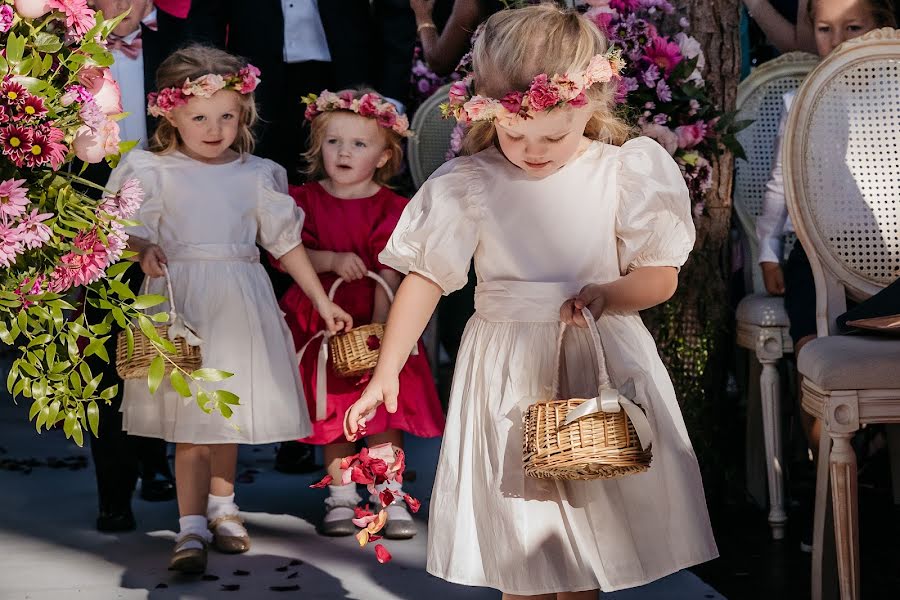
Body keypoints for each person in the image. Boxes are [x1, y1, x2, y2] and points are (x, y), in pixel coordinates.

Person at [345, 6, 718, 598]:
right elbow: (425, 278)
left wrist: (609, 294)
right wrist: (386, 368)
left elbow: (660, 276)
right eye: (515, 135)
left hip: (591, 361)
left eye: (553, 135)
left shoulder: (622, 170)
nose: (532, 149)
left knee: (586, 542)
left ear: (591, 104)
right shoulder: (472, 181)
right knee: (522, 541)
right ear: (488, 114)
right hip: (505, 372)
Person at [106, 45, 352, 573]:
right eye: (199, 117)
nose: (214, 128)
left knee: (226, 415)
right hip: (180, 304)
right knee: (190, 422)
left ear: (244, 114)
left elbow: (284, 245)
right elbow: (122, 232)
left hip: (240, 300)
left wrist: (319, 298)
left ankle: (223, 508)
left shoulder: (256, 172)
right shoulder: (150, 169)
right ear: (168, 113)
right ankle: (190, 525)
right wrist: (142, 250)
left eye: (226, 116)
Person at [754, 0, 896, 551]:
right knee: (818, 351)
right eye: (823, 28)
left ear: (883, 26)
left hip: (893, 268)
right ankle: (830, 497)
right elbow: (778, 188)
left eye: (853, 27)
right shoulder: (804, 100)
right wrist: (768, 249)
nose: (835, 40)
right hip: (819, 259)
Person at [275, 89, 444, 539]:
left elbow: (392, 271)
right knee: (335, 412)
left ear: (385, 155)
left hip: (378, 320)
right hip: (323, 320)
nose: (344, 152)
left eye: (358, 144)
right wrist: (329, 260)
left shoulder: (391, 208)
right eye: (333, 142)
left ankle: (387, 494)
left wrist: (381, 335)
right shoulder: (304, 200)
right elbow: (284, 252)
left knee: (384, 417)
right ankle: (342, 495)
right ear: (317, 147)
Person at [84, 0, 187, 533]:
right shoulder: (56, 41)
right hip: (90, 219)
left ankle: (156, 461)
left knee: (165, 348)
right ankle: (114, 490)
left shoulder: (185, 32)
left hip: (173, 218)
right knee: (105, 354)